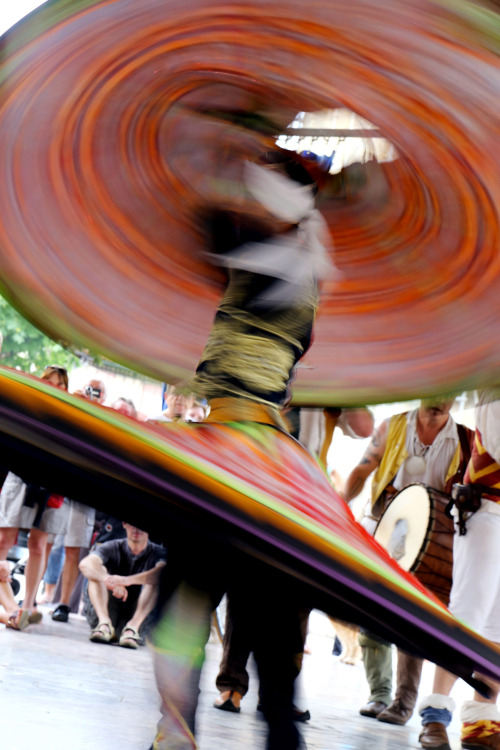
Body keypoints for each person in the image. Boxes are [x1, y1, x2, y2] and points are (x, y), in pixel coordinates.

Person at [149, 137, 332, 750]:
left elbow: (207, 222)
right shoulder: (305, 270)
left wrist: (225, 151)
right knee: (269, 619)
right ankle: (271, 735)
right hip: (268, 460)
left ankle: (177, 732)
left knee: (187, 606)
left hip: (230, 448)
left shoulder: (273, 257)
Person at [213, 405, 374, 716]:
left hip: (306, 503)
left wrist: (343, 387)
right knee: (245, 592)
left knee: (298, 601)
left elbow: (364, 427)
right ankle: (231, 686)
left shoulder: (329, 382)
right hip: (257, 489)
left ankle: (277, 695)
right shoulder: (267, 371)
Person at [343, 398, 472, 726]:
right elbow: (362, 469)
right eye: (437, 391)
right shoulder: (393, 425)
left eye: (451, 394)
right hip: (388, 526)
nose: (442, 400)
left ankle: (404, 702)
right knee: (371, 615)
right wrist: (338, 505)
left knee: (411, 620)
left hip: (433, 541)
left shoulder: (466, 439)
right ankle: (380, 693)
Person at [418, 389, 500, 750]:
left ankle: (480, 724)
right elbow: (497, 444)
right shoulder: (495, 385)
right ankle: (435, 715)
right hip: (487, 512)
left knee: (498, 627)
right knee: (467, 615)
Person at [0, 365, 71, 623]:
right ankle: (11, 607)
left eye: (60, 384)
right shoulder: (27, 403)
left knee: (39, 544)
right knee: (4, 538)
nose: (55, 387)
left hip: (51, 485)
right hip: (20, 477)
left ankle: (27, 605)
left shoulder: (71, 416)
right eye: (50, 382)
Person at [79, 522, 166, 648]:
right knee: (96, 572)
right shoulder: (112, 546)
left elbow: (163, 573)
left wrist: (126, 580)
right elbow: (85, 564)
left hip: (141, 621)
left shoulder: (158, 552)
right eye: (132, 523)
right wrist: (110, 580)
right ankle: (104, 624)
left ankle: (132, 628)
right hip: (107, 614)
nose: (137, 528)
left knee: (156, 580)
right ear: (124, 524)